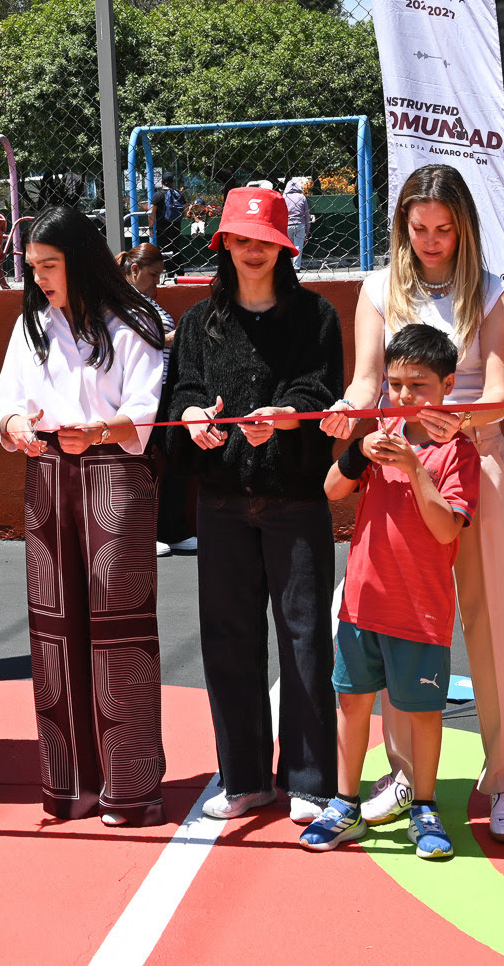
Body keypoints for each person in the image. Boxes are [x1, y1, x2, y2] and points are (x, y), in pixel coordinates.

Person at [324, 164, 504, 843]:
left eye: (445, 228)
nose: (433, 239)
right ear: (403, 227)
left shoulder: (496, 292)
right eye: (420, 228)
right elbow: (363, 380)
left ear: (465, 227)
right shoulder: (380, 287)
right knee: (396, 621)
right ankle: (408, 775)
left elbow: (501, 388)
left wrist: (461, 419)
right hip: (397, 464)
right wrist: (347, 413)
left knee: (492, 618)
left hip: (476, 461)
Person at [166, 186, 343, 827]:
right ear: (224, 244)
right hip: (221, 502)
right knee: (229, 641)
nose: (252, 251)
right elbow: (180, 390)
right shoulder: (197, 322)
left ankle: (309, 778)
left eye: (264, 241)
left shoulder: (316, 315)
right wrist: (191, 419)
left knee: (304, 642)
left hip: (295, 500)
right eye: (241, 239)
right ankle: (244, 777)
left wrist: (286, 417)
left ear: (283, 246)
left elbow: (321, 386)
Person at [0, 205, 169, 824]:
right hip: (48, 482)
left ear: (81, 260)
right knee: (55, 633)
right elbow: (5, 405)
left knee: (118, 632)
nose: (40, 278)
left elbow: (146, 411)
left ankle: (131, 786)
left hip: (115, 483)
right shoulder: (33, 326)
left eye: (51, 265)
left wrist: (99, 430)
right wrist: (15, 425)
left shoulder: (133, 322)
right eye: (33, 266)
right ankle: (69, 784)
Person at [304, 323, 480, 858]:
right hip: (362, 602)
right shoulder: (378, 438)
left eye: (419, 385)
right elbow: (331, 490)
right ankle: (344, 802)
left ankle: (424, 806)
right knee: (352, 703)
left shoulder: (457, 453)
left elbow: (447, 528)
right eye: (396, 384)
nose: (405, 397)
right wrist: (359, 451)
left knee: (423, 714)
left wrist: (412, 467)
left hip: (421, 611)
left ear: (447, 386)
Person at [121, 244, 193, 556]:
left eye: (160, 275)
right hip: (138, 391)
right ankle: (140, 534)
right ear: (134, 271)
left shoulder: (147, 301)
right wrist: (174, 338)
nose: (157, 282)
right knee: (138, 462)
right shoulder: (119, 302)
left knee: (177, 454)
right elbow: (125, 341)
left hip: (165, 390)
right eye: (152, 275)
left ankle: (171, 529)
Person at [154, 173, 186, 265]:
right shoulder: (177, 194)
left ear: (162, 182)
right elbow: (185, 207)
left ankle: (170, 272)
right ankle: (180, 271)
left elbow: (152, 212)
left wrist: (151, 226)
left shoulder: (158, 195)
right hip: (176, 226)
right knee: (176, 248)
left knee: (165, 249)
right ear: (173, 182)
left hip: (162, 227)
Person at [283, 176, 313, 260]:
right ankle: (296, 267)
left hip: (287, 225)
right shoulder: (302, 197)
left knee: (289, 247)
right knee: (298, 246)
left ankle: (290, 266)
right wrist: (307, 229)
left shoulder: (284, 197)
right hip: (300, 224)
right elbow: (307, 214)